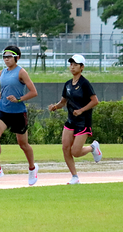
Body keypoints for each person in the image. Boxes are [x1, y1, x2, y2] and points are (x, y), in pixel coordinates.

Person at [0, 46, 39, 186]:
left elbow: (33, 92)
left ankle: (32, 168)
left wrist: (19, 99)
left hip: (18, 113)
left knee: (23, 144)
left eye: (9, 57)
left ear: (17, 58)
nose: (6, 59)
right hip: (3, 111)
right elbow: (4, 90)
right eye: (4, 57)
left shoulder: (21, 72)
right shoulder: (2, 73)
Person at [48, 54, 101, 184]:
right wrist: (55, 107)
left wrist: (81, 110)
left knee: (76, 152)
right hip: (71, 121)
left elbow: (95, 101)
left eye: (75, 65)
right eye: (71, 64)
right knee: (65, 148)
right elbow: (63, 102)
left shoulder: (85, 83)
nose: (72, 67)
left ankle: (93, 148)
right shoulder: (67, 84)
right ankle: (74, 177)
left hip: (83, 122)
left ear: (82, 67)